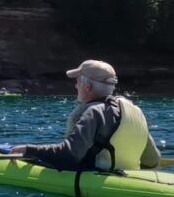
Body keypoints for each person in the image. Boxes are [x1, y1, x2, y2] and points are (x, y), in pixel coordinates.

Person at [10, 60, 160, 171]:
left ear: (87, 87)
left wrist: (29, 150)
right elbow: (153, 160)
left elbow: (69, 156)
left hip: (98, 182)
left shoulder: (94, 112)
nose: (75, 86)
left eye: (77, 82)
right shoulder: (135, 112)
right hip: (130, 177)